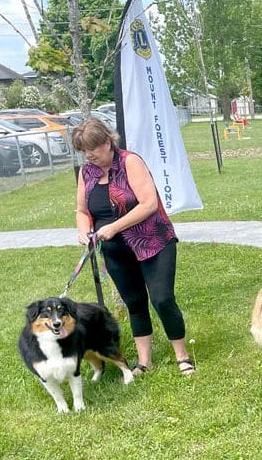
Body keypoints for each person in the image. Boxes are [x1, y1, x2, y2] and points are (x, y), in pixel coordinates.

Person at [72, 118, 194, 376]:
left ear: (107, 142)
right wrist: (84, 231)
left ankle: (182, 356)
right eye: (83, 150)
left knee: (162, 299)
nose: (89, 155)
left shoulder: (130, 161)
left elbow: (148, 203)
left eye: (92, 148)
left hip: (153, 242)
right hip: (115, 249)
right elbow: (82, 210)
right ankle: (144, 361)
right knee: (135, 302)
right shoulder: (87, 173)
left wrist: (115, 227)